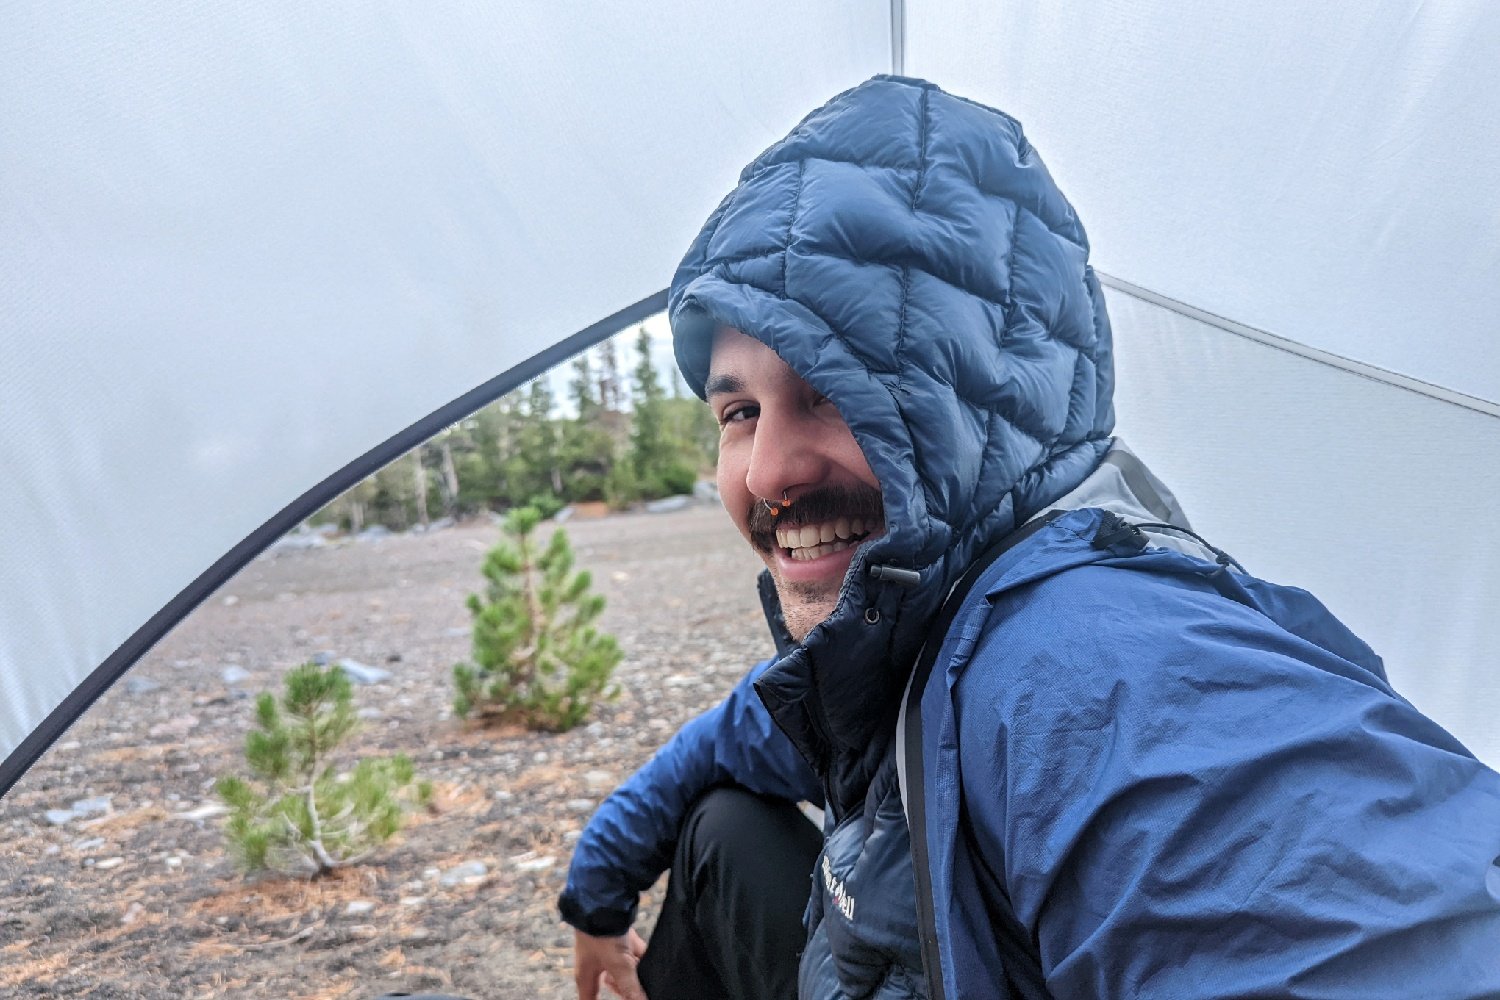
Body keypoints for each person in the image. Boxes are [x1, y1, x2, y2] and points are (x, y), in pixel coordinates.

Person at [558, 76, 1500, 1000]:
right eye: (739, 411)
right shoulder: (910, 624)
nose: (766, 471)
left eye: (832, 391)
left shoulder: (1098, 666)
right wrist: (595, 898)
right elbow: (727, 741)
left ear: (979, 400)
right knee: (722, 827)